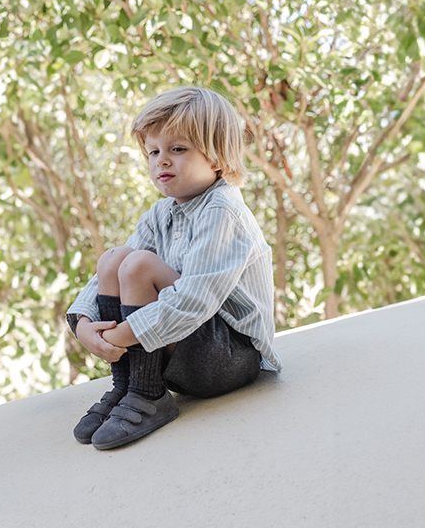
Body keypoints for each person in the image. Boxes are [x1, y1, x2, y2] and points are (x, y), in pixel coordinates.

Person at [66, 86, 282, 450]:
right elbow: (106, 276)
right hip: (187, 353)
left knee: (138, 266)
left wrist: (119, 336)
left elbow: (195, 300)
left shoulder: (222, 210)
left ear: (217, 158)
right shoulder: (160, 214)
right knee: (114, 259)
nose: (161, 161)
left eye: (177, 149)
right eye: (153, 151)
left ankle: (149, 394)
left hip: (229, 360)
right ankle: (127, 385)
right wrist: (86, 326)